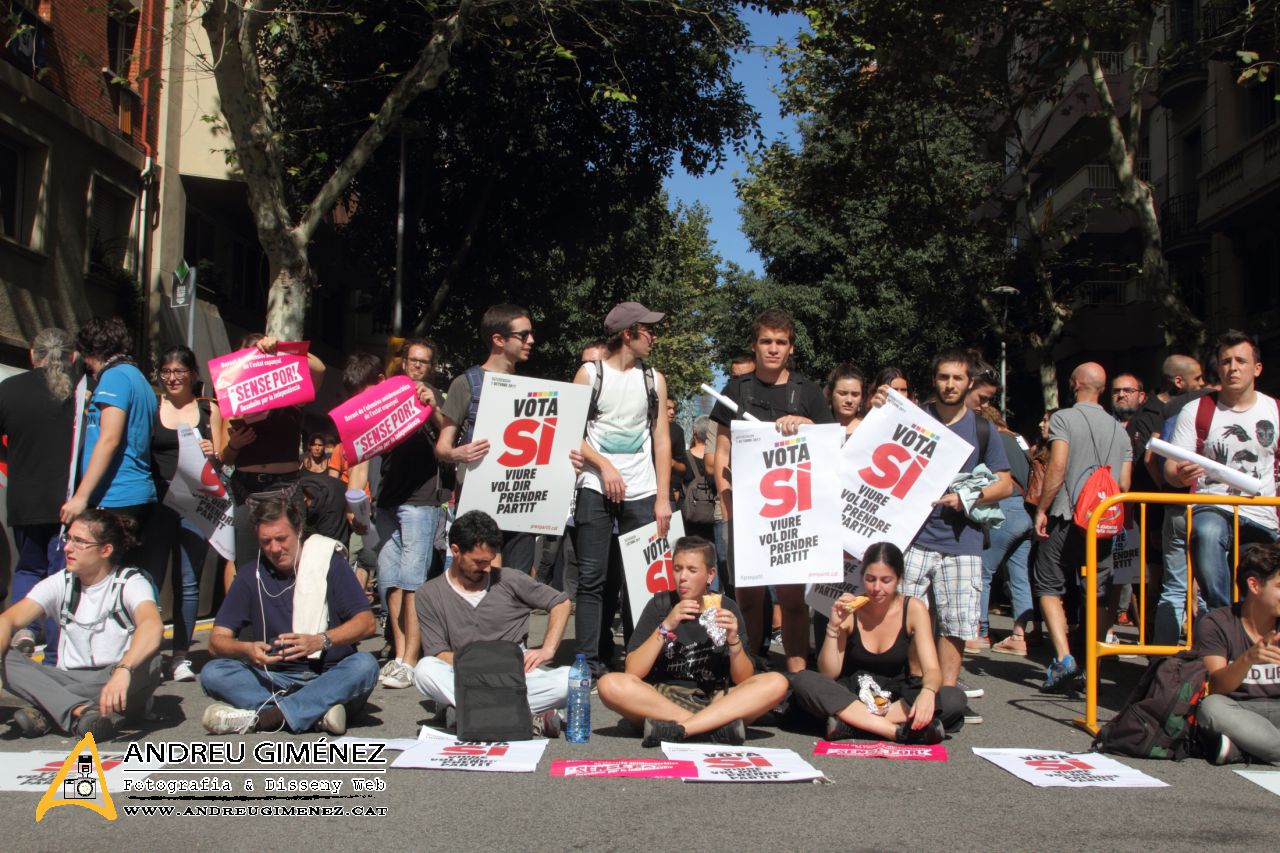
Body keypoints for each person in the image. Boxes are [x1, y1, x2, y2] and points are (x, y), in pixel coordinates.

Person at [870, 349, 1012, 703]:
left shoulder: (982, 429)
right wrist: (875, 411)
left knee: (957, 624)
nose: (950, 385)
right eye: (944, 377)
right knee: (907, 618)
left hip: (962, 541)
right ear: (934, 380)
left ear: (970, 383)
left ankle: (947, 696)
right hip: (914, 537)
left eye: (958, 378)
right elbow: (870, 447)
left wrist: (967, 498)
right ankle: (917, 687)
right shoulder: (914, 417)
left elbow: (1005, 484)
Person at [711, 308, 832, 672]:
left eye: (781, 342)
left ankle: (798, 676)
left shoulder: (807, 392)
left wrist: (807, 424)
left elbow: (828, 449)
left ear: (791, 348)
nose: (773, 349)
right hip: (747, 516)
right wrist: (728, 505)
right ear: (755, 345)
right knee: (747, 599)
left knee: (794, 601)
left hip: (794, 518)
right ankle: (749, 670)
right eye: (766, 341)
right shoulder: (736, 390)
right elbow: (721, 454)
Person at [200, 492, 378, 735]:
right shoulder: (250, 575)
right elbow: (216, 641)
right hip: (276, 678)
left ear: (298, 530)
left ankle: (266, 717)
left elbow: (367, 624)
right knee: (213, 673)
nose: (274, 549)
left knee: (365, 666)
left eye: (281, 539)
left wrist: (320, 640)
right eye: (265, 542)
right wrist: (246, 650)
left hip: (329, 675)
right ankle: (314, 713)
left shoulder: (329, 562)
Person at [598, 536, 789, 746]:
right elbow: (633, 670)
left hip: (716, 699)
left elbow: (743, 678)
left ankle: (681, 730)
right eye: (677, 568)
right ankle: (711, 728)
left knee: (777, 682)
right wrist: (665, 627)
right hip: (664, 700)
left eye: (692, 570)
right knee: (608, 684)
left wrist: (734, 642)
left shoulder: (726, 607)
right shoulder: (660, 605)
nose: (682, 577)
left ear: (710, 575)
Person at [573, 302, 673, 677]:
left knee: (643, 582)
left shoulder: (654, 379)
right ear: (628, 333)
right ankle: (588, 662)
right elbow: (570, 431)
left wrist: (662, 498)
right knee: (592, 578)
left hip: (643, 491)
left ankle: (638, 659)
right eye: (648, 330)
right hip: (595, 488)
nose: (654, 336)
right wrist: (605, 466)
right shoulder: (589, 374)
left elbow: (661, 439)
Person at [0, 510, 162, 740]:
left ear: (105, 550)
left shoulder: (130, 581)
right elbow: (8, 620)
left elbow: (152, 626)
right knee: (5, 656)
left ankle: (49, 709)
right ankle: (81, 713)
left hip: (116, 678)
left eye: (79, 541)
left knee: (151, 661)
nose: (67, 548)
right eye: (68, 538)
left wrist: (123, 670)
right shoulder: (59, 582)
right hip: (69, 677)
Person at [413, 511, 571, 736]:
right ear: (456, 551)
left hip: (516, 673)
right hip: (467, 672)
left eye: (490, 560)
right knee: (424, 670)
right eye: (479, 562)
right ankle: (522, 715)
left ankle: (470, 713)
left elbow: (561, 602)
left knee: (573, 680)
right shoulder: (429, 593)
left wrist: (548, 649)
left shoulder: (509, 579)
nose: (487, 568)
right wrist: (486, 667)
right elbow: (438, 654)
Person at [790, 542, 965, 744]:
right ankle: (895, 732)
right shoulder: (850, 608)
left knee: (953, 698)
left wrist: (927, 692)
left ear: (899, 579)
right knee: (804, 680)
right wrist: (833, 627)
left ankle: (852, 725)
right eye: (870, 579)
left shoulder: (913, 608)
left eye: (886, 580)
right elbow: (829, 673)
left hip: (897, 698)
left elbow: (932, 670)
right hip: (852, 695)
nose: (876, 588)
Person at [1033, 362, 1132, 691]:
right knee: (1099, 595)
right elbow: (1125, 484)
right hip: (1102, 521)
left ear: (1075, 384)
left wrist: (1043, 508)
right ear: (1103, 389)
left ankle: (1065, 658)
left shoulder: (1063, 418)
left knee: (1048, 584)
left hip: (1065, 513)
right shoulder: (1120, 429)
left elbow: (1058, 465)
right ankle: (1094, 663)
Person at [1165, 330, 1279, 615]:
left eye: (1241, 360)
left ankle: (1250, 636)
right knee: (1206, 533)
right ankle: (1221, 615)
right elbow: (1170, 467)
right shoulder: (1196, 409)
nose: (1233, 367)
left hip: (1262, 513)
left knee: (1258, 586)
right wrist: (1181, 475)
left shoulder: (1274, 410)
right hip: (1211, 505)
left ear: (1257, 368)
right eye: (1226, 361)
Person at [139, 345, 224, 682]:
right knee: (150, 580)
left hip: (196, 502)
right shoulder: (151, 407)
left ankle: (180, 656)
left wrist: (213, 453)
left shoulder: (209, 410)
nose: (172, 377)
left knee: (188, 583)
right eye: (166, 371)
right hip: (158, 500)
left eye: (178, 371)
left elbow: (222, 462)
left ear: (192, 374)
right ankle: (147, 651)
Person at [435, 304, 540, 574]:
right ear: (498, 339)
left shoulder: (531, 389)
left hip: (521, 502)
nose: (531, 340)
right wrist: (459, 453)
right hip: (478, 503)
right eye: (524, 334)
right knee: (478, 582)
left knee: (517, 586)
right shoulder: (466, 383)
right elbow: (443, 447)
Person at [220, 333, 326, 585]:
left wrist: (280, 349)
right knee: (245, 564)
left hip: (284, 486)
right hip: (246, 487)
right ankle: (246, 623)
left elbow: (319, 369)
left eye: (257, 357)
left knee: (288, 563)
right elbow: (224, 456)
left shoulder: (292, 393)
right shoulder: (233, 398)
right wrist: (234, 444)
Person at [0, 328, 77, 656]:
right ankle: (55, 650)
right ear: (72, 357)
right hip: (68, 499)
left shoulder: (9, 390)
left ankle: (22, 631)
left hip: (24, 496)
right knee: (62, 575)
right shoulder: (79, 393)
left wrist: (11, 458)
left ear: (33, 354)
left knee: (28, 567)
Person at [374, 338, 446, 689]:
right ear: (403, 362)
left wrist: (433, 409)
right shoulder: (388, 392)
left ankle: (411, 659)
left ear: (431, 366)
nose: (417, 366)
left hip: (420, 500)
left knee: (413, 581)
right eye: (412, 360)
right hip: (387, 498)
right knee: (390, 581)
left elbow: (451, 438)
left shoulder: (436, 398)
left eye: (424, 362)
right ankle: (399, 653)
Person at [62, 317, 157, 536]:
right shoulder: (138, 378)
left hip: (115, 495)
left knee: (99, 568)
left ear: (93, 350)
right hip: (133, 493)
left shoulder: (115, 377)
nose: (87, 365)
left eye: (86, 358)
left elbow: (109, 439)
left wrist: (80, 497)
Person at [1195, 543, 1280, 764]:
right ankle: (1259, 748)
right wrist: (1249, 658)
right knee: (1210, 708)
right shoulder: (1216, 623)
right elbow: (1216, 687)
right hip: (1237, 710)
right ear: (1254, 585)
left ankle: (1242, 750)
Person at [975, 406, 1035, 656]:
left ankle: (980, 632)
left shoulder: (994, 440)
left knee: (983, 571)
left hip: (1004, 509)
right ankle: (1019, 635)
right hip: (1025, 511)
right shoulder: (1018, 439)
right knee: (1018, 574)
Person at [826, 363, 866, 440]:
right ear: (830, 394)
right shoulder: (817, 428)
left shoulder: (870, 429)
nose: (849, 400)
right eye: (842, 393)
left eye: (855, 394)